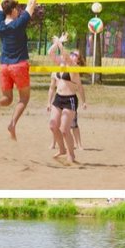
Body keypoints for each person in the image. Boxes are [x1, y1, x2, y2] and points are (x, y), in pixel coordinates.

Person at [0, 0, 43, 141]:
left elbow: (1, 3)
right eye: (16, 8)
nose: (19, 10)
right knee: (24, 98)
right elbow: (32, 4)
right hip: (18, 65)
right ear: (12, 11)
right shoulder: (18, 23)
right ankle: (12, 123)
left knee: (7, 98)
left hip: (3, 66)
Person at [46, 34, 87, 164]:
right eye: (72, 53)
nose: (73, 55)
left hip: (70, 100)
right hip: (58, 98)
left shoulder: (74, 67)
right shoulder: (61, 64)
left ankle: (71, 154)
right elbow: (50, 53)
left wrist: (60, 43)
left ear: (78, 60)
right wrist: (58, 43)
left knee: (64, 129)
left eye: (76, 55)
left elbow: (67, 57)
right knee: (53, 126)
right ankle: (62, 149)